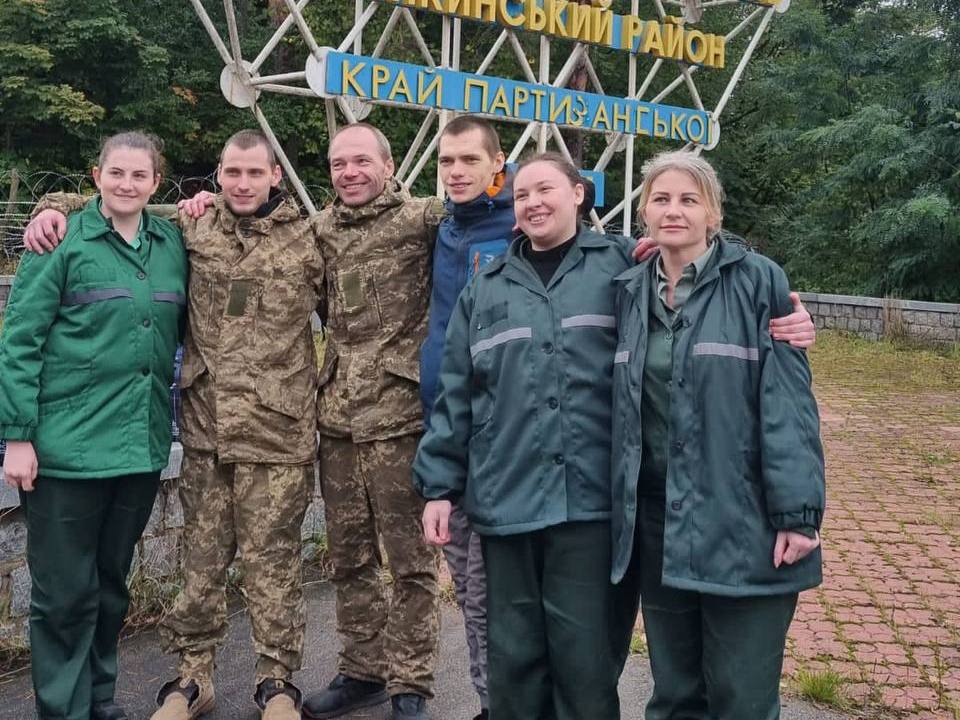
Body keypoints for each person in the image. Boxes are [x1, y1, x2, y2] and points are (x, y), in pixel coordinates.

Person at [22, 129, 325, 720]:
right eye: (230, 172)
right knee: (199, 565)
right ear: (216, 174)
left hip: (278, 434)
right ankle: (191, 680)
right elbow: (115, 204)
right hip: (207, 432)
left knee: (275, 566)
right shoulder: (192, 228)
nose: (241, 184)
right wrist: (49, 207)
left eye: (253, 173)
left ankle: (278, 684)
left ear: (275, 178)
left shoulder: (311, 239)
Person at [415, 152, 635, 720]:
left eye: (545, 190)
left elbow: (703, 275)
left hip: (589, 503)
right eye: (521, 195)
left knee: (585, 661)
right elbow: (456, 395)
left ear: (579, 194)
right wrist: (439, 487)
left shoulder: (624, 267)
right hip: (507, 500)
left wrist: (778, 307)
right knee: (513, 660)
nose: (533, 202)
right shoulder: (485, 289)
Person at [609, 150, 825, 720]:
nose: (673, 210)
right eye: (660, 198)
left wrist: (798, 515)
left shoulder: (759, 282)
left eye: (689, 199)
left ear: (713, 214)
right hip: (660, 523)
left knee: (741, 697)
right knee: (676, 693)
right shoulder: (629, 290)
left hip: (742, 519)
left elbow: (788, 404)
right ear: (644, 213)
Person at [1, 132, 188, 720]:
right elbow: (19, 341)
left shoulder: (171, 245)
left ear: (156, 183)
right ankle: (64, 707)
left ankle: (98, 696)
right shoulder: (57, 243)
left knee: (110, 587)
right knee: (62, 595)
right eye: (116, 173)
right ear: (97, 176)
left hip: (138, 450)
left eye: (139, 175)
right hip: (64, 454)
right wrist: (17, 437)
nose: (127, 184)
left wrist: (201, 206)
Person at [301, 123, 442, 720]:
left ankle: (411, 681)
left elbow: (506, 199)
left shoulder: (422, 220)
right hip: (337, 421)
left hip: (401, 420)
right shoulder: (318, 229)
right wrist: (57, 205)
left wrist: (589, 198)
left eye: (362, 160)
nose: (350, 172)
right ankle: (364, 671)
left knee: (411, 562)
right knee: (350, 558)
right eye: (338, 163)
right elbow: (216, 216)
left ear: (387, 165)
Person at [420, 115, 516, 720]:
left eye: (468, 161)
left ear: (496, 165)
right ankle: (492, 701)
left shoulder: (523, 224)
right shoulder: (442, 228)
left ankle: (503, 703)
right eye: (446, 162)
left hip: (503, 442)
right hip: (445, 434)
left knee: (492, 593)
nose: (455, 172)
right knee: (471, 591)